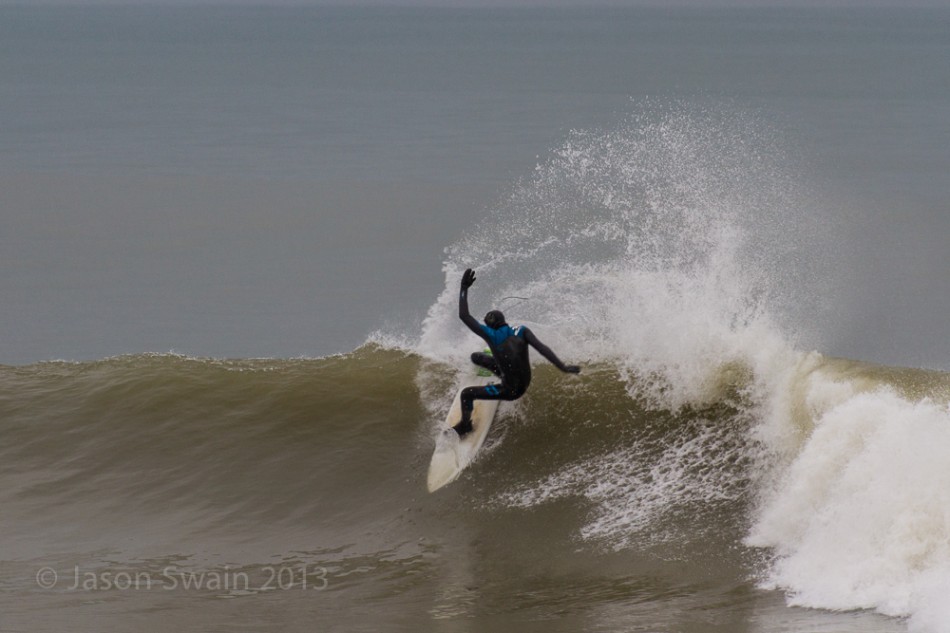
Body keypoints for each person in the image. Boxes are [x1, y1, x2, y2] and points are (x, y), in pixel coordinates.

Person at [453, 268, 580, 437]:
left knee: (466, 394)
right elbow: (542, 349)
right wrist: (563, 367)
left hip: (511, 390)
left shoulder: (491, 335)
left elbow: (464, 316)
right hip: (526, 381)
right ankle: (496, 370)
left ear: (489, 325)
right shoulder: (522, 330)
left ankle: (465, 425)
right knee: (476, 357)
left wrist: (464, 288)